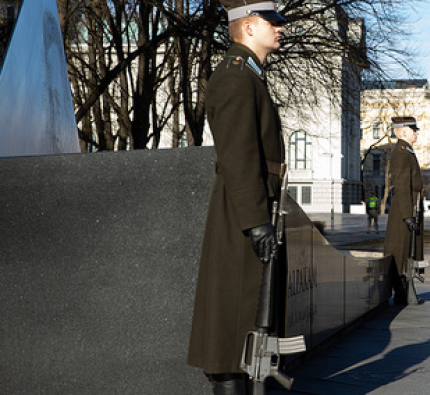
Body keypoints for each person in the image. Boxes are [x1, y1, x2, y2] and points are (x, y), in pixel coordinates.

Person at [186, 1, 287, 393]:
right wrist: (255, 220)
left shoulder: (250, 75)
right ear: (247, 27)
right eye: (271, 22)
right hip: (242, 216)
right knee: (233, 330)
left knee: (247, 324)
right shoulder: (235, 76)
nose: (280, 28)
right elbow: (238, 154)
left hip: (255, 208)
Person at [383, 116, 424, 305]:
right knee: (400, 251)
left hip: (410, 206)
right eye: (414, 130)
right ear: (404, 131)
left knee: (406, 250)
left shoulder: (406, 151)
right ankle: (399, 291)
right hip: (404, 210)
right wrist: (407, 215)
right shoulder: (401, 153)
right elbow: (401, 186)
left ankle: (403, 290)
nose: (417, 133)